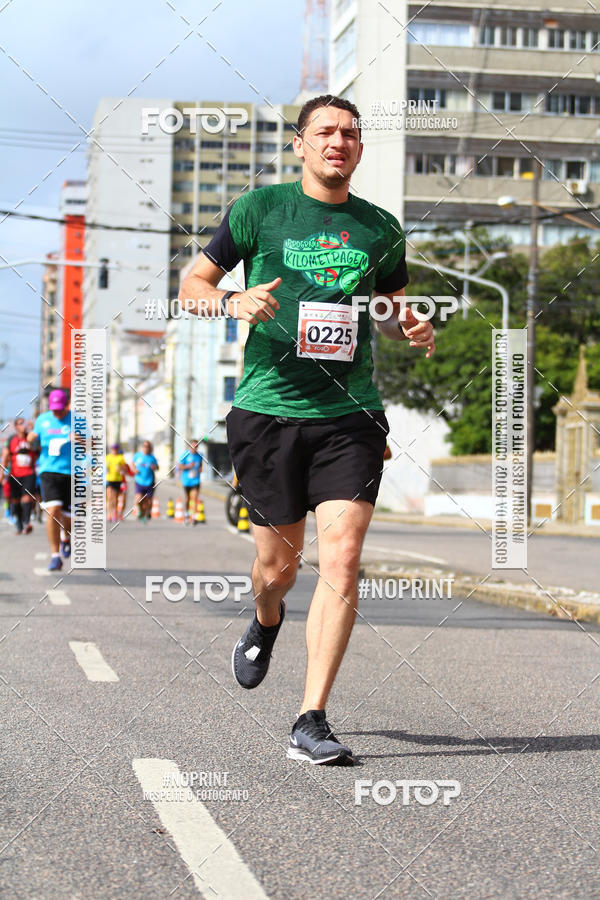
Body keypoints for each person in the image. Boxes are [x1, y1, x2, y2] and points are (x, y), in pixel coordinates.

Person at [179, 94, 435, 765]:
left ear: (359, 148)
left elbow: (388, 305)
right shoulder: (259, 211)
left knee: (343, 557)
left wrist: (407, 321)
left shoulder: (381, 227)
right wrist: (233, 299)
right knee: (277, 567)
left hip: (350, 413)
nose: (338, 143)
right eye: (325, 132)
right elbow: (192, 287)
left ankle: (310, 718)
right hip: (268, 412)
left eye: (350, 134)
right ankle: (266, 621)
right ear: (299, 144)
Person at [27, 389, 73, 571]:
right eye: (54, 409)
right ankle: (55, 556)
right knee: (53, 510)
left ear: (67, 405)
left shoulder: (77, 421)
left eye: (60, 409)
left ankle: (66, 536)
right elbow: (32, 440)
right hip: (48, 471)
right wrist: (31, 438)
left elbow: (93, 443)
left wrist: (80, 440)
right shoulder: (42, 420)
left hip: (72, 472)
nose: (57, 413)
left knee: (68, 517)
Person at [0, 416, 37, 534]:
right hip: (15, 474)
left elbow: (38, 450)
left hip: (29, 473)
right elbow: (5, 456)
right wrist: (2, 473)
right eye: (20, 423)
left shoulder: (30, 438)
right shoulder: (11, 439)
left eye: (24, 423)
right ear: (16, 426)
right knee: (15, 500)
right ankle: (19, 524)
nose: (23, 425)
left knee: (27, 498)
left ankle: (26, 523)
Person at [178, 439, 203, 524]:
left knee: (195, 498)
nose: (194, 448)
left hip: (196, 480)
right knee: (187, 498)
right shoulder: (185, 455)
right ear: (190, 446)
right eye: (193, 446)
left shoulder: (199, 456)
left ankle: (194, 518)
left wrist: (200, 469)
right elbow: (179, 466)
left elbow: (200, 465)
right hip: (186, 481)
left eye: (196, 446)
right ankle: (187, 515)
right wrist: (188, 466)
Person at [132, 440, 158, 520]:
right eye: (145, 446)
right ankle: (140, 511)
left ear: (150, 448)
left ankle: (147, 512)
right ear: (142, 447)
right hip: (139, 481)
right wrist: (134, 469)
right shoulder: (137, 455)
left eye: (148, 447)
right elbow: (132, 463)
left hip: (149, 481)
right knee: (138, 499)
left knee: (148, 500)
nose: (146, 448)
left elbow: (157, 467)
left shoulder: (152, 457)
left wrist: (154, 467)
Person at [106, 443, 127, 522]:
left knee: (115, 498)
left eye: (115, 449)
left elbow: (125, 469)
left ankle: (114, 512)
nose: (114, 450)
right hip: (109, 479)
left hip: (118, 480)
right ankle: (109, 514)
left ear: (117, 449)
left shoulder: (120, 458)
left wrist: (121, 468)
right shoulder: (107, 457)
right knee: (109, 497)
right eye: (113, 448)